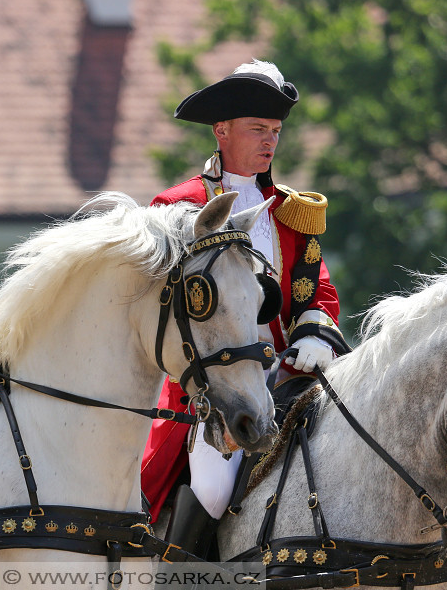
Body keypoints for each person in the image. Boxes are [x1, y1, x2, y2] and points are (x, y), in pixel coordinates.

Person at [140, 60, 350, 558]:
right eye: (258, 129)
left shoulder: (293, 213)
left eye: (275, 131)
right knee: (213, 489)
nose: (270, 142)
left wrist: (314, 336)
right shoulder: (178, 207)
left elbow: (316, 291)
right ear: (221, 130)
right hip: (211, 381)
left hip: (287, 374)